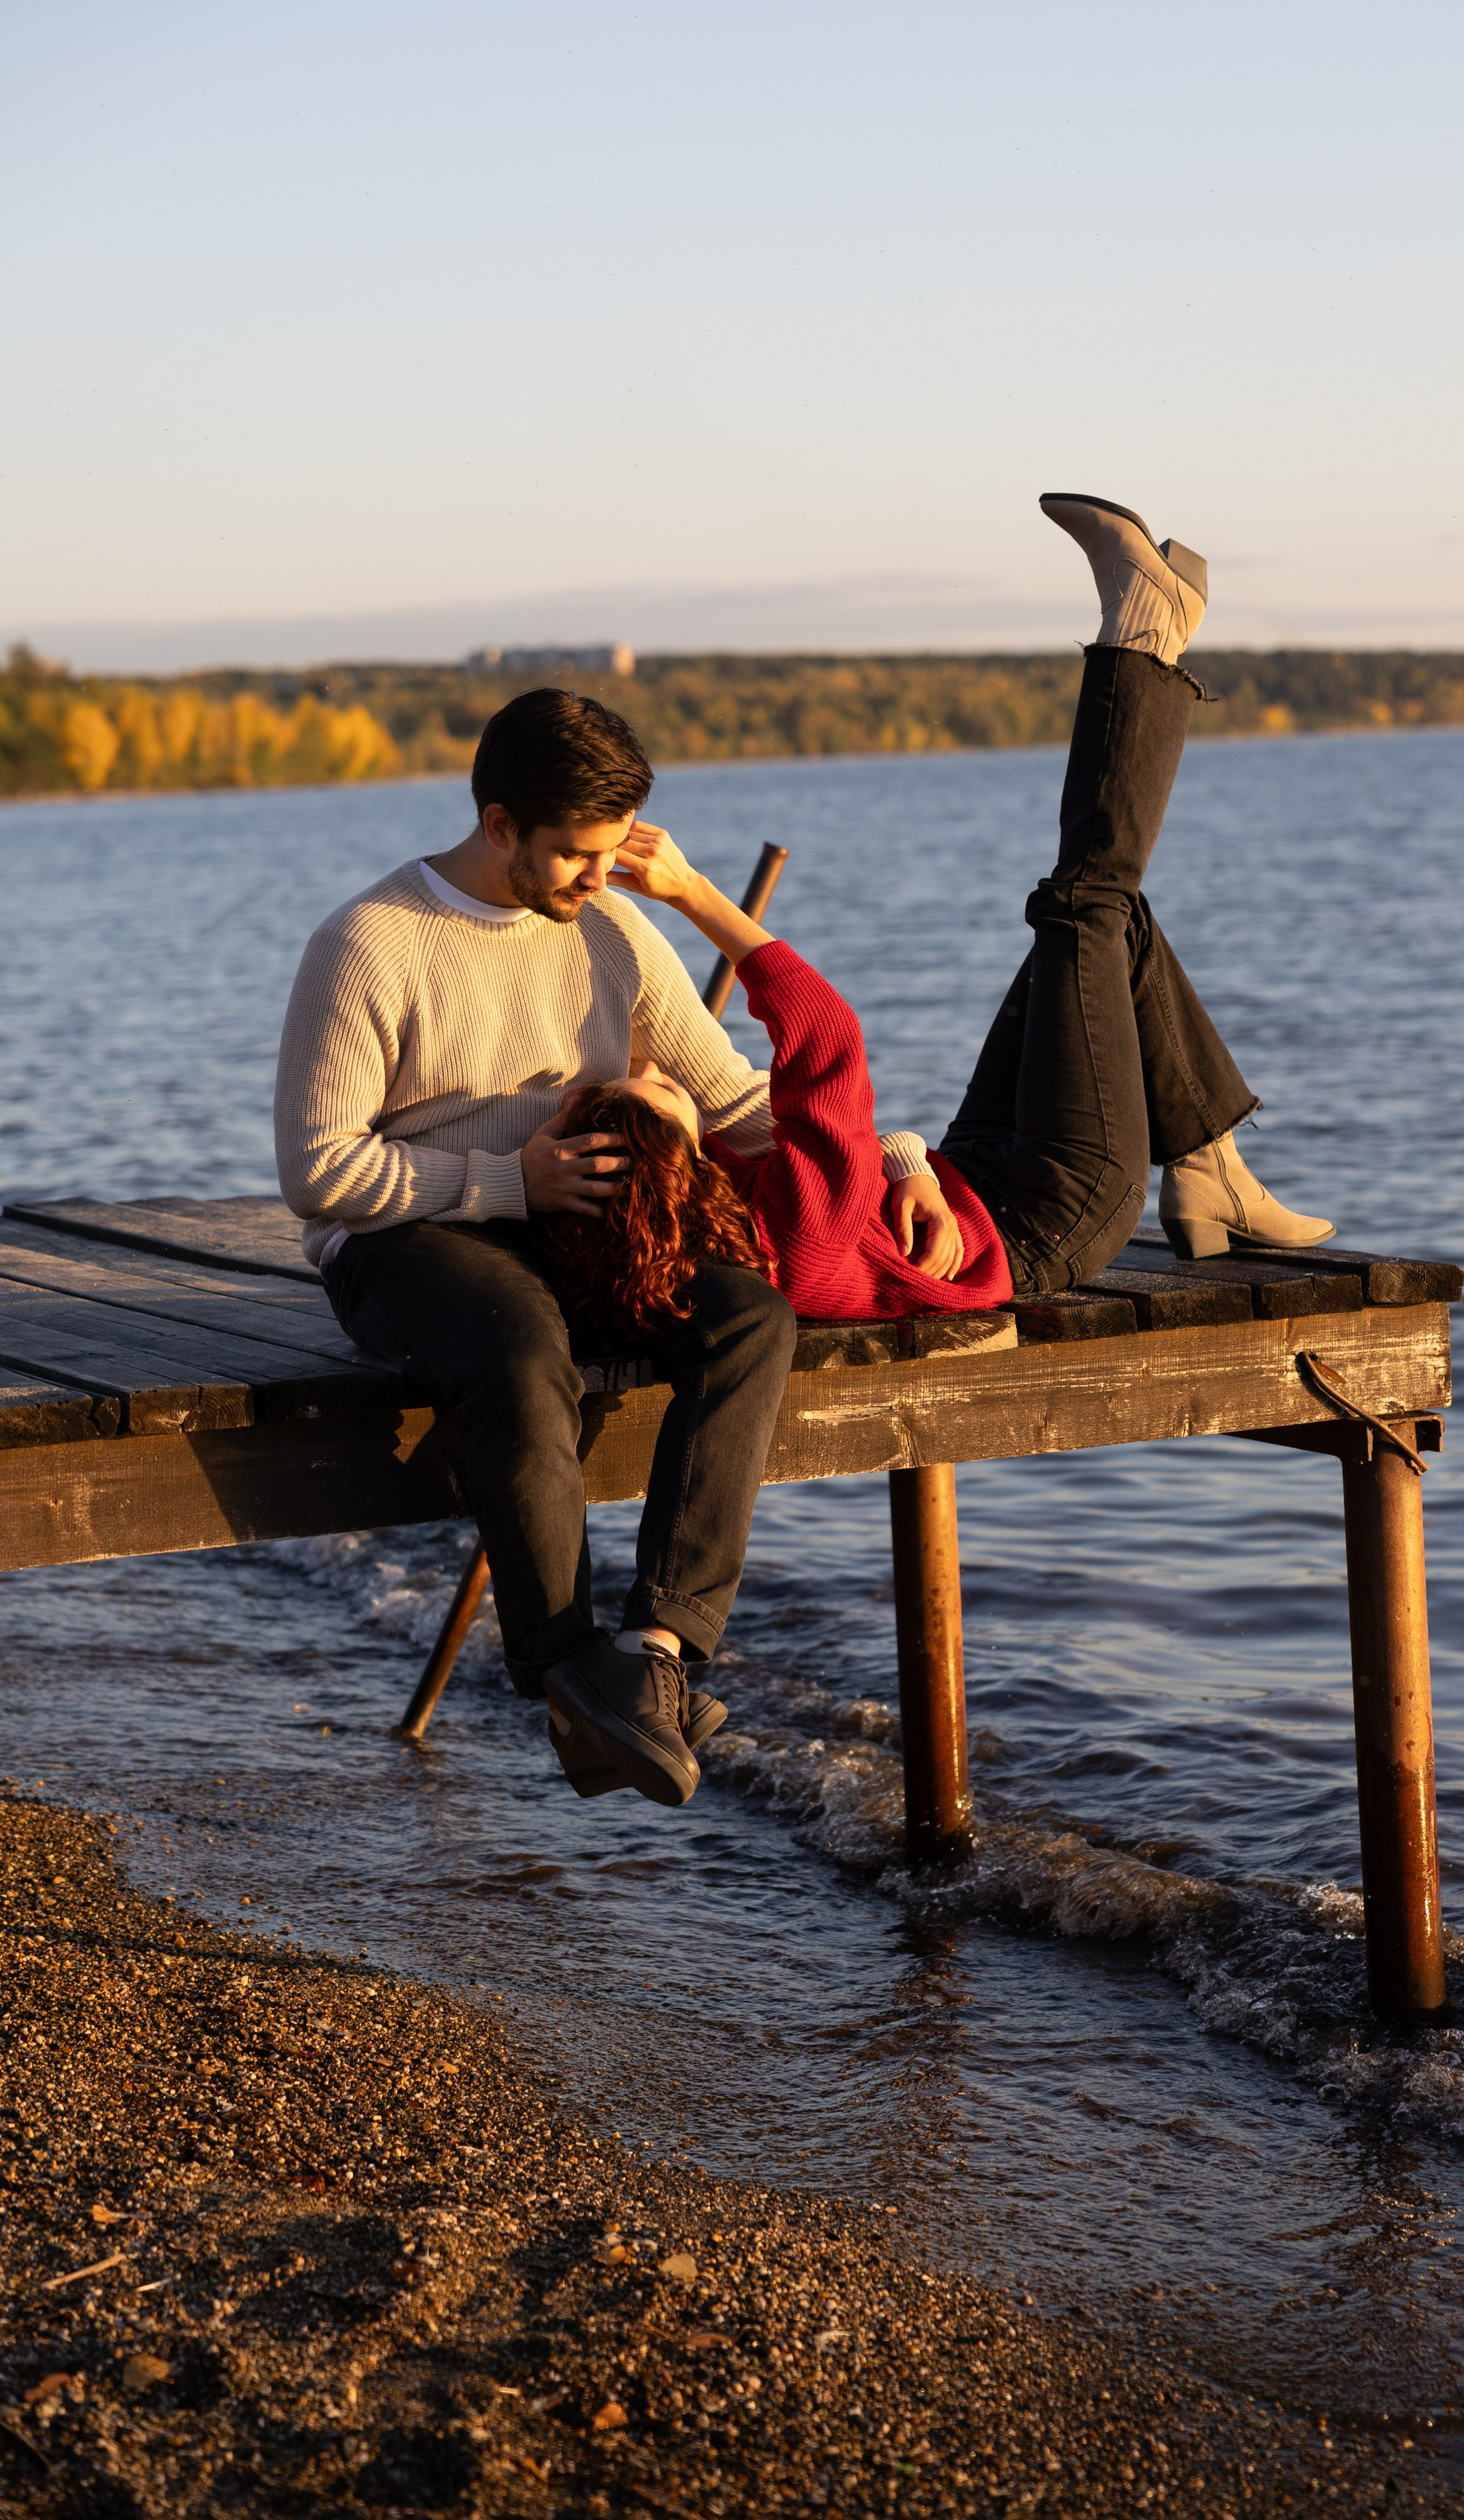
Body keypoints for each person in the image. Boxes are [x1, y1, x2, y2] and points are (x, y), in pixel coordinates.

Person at [530, 493, 1334, 1676]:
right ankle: (1143, 639)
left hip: (972, 1171)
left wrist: (902, 1163)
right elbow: (828, 1040)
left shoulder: (723, 1215)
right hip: (1055, 1206)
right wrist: (700, 897)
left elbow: (861, 1137)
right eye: (654, 1095)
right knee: (1083, 909)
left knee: (1095, 927)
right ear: (667, 1163)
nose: (660, 1075)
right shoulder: (782, 1231)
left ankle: (1209, 1167)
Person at [275, 686, 958, 1812]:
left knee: (749, 1315)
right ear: (500, 826)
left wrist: (897, 1158)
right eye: (578, 857)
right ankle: (562, 1666)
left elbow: (743, 1106)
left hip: (584, 1234)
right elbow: (319, 1173)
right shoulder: (368, 942)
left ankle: (655, 1651)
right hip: (408, 1233)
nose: (602, 880)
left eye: (611, 855)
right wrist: (507, 1181)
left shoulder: (611, 932)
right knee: (518, 1345)